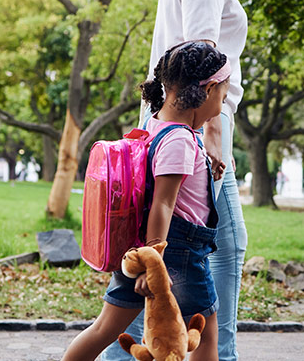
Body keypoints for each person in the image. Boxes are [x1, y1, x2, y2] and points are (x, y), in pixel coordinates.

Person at [102, 0, 272, 361]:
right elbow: (201, 66)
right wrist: (213, 143)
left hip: (181, 136)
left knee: (173, 258)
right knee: (209, 254)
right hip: (196, 142)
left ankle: (126, 352)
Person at [63, 42, 230, 361]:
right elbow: (163, 206)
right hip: (174, 255)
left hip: (139, 248)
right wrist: (153, 268)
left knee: (104, 329)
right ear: (207, 90)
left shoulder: (156, 125)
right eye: (222, 96)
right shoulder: (180, 140)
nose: (220, 106)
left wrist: (207, 167)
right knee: (205, 334)